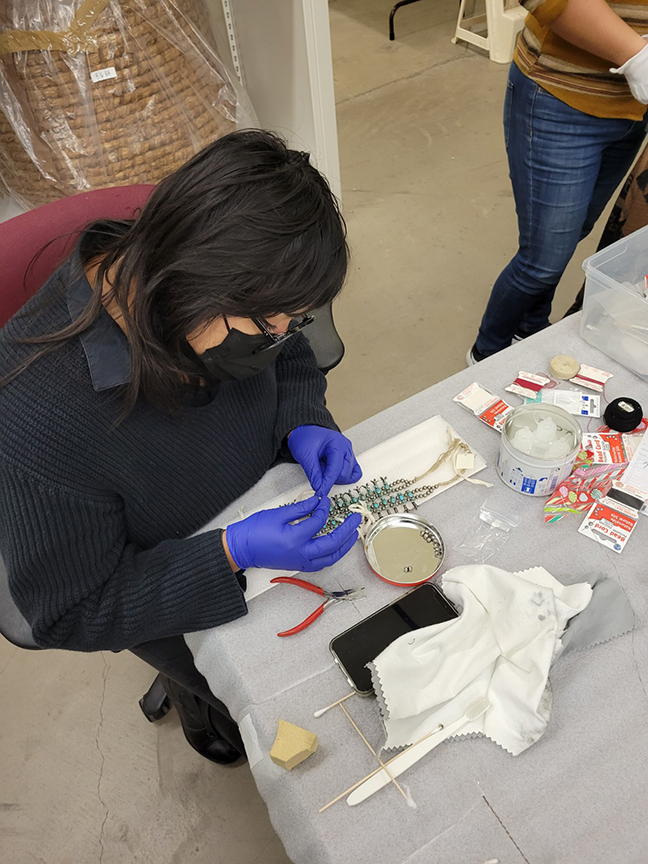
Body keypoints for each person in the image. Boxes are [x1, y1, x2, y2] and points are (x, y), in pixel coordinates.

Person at [0, 130, 362, 761]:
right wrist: (230, 553)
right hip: (168, 584)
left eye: (292, 319)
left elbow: (291, 354)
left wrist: (305, 416)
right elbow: (73, 609)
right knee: (280, 702)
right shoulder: (36, 417)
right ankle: (197, 695)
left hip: (266, 504)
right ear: (188, 278)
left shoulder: (224, 303)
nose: (280, 337)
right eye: (266, 322)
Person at [468, 0, 648, 364]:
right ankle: (485, 355)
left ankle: (530, 326)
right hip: (562, 99)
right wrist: (637, 56)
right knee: (542, 261)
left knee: (572, 232)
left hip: (634, 109)